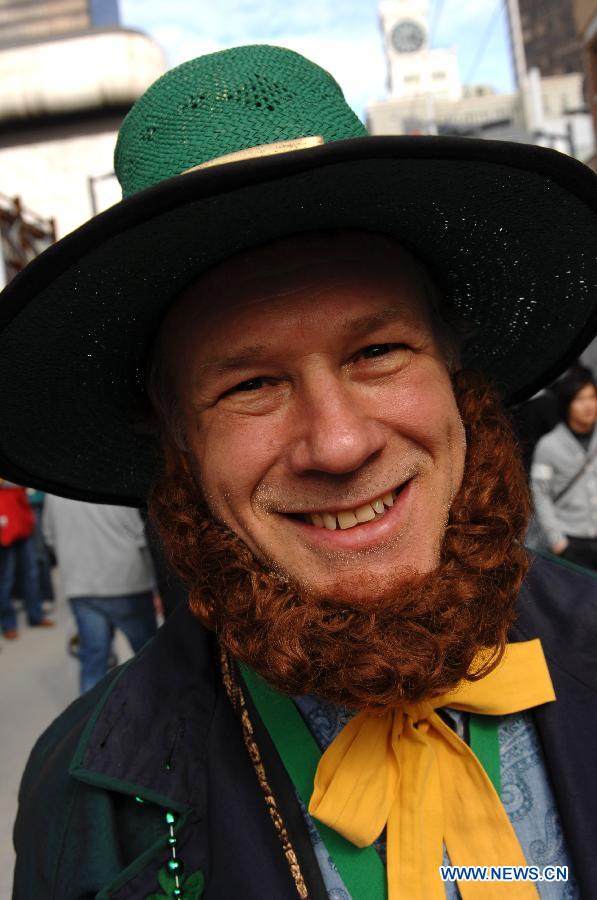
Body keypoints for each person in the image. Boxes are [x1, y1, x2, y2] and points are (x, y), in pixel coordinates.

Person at [4, 45, 597, 899]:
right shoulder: (86, 806)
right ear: (176, 440)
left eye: (377, 351)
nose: (340, 444)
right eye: (250, 385)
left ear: (454, 371)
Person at [42, 496, 159, 693]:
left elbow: (49, 535)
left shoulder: (54, 491)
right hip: (127, 583)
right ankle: (160, 712)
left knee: (93, 663)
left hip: (80, 586)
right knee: (150, 658)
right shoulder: (112, 482)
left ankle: (91, 721)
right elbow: (140, 535)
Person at [530, 365, 597, 569]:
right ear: (567, 404)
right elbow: (540, 494)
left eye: (592, 397)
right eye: (580, 399)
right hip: (571, 541)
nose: (589, 405)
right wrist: (557, 541)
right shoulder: (549, 446)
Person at [0, 481, 53, 638]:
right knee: (6, 577)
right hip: (4, 521)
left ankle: (35, 615)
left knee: (31, 571)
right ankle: (8, 624)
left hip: (21, 517)